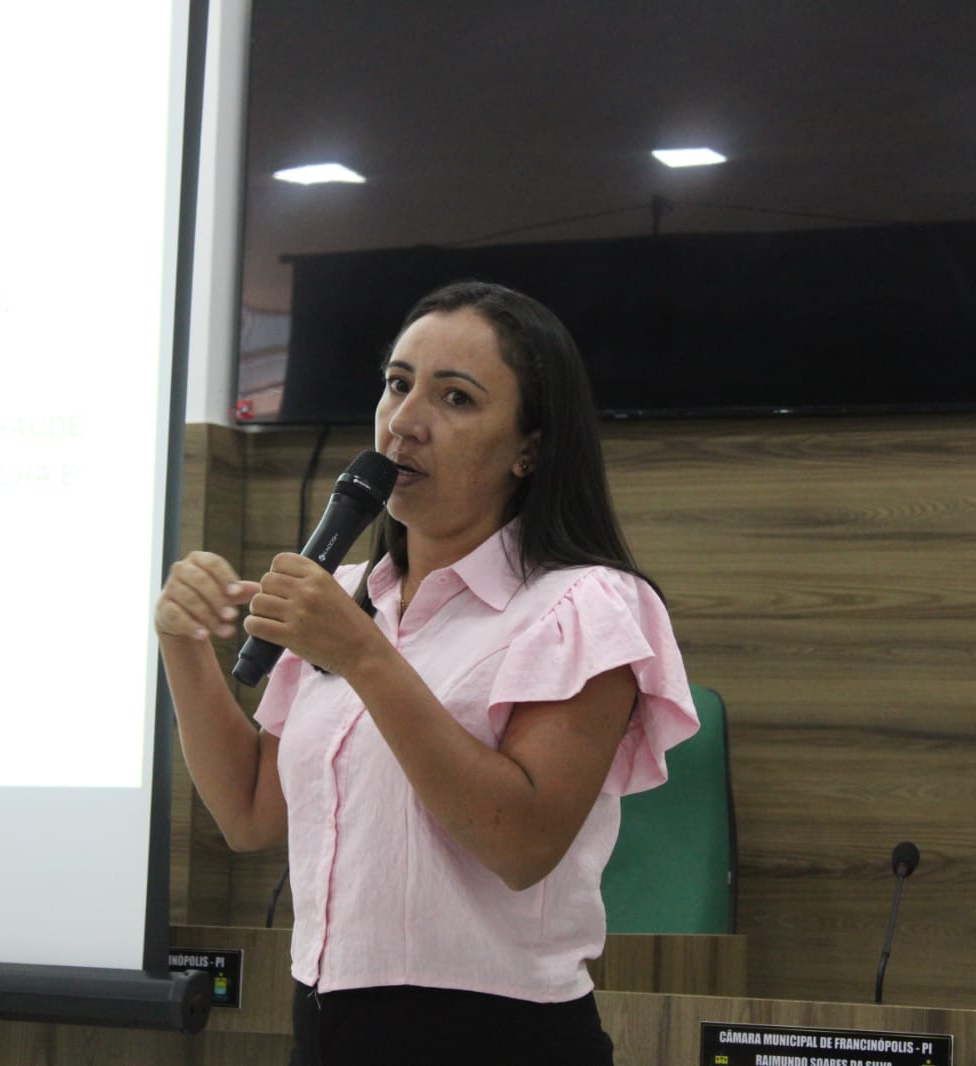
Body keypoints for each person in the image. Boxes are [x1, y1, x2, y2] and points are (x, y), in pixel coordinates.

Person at [155, 280, 696, 1065]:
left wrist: (366, 658)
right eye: (397, 384)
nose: (404, 422)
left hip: (495, 1037)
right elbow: (247, 814)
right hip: (326, 1022)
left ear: (529, 447)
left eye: (456, 399)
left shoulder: (582, 606)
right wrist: (183, 645)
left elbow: (520, 845)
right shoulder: (344, 599)